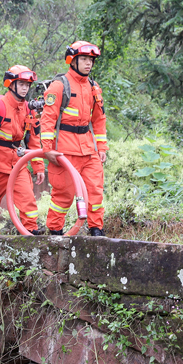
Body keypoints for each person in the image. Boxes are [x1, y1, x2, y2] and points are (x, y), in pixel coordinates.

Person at [39, 41, 108, 236]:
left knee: (95, 191)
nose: (88, 64)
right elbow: (47, 120)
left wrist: (101, 147)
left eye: (91, 60)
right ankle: (55, 233)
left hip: (88, 149)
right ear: (73, 60)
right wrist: (47, 149)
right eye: (84, 59)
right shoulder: (59, 86)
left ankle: (96, 231)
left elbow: (99, 120)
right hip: (64, 151)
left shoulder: (94, 87)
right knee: (63, 195)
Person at [0, 65, 45, 235]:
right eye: (21, 84)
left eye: (27, 85)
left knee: (28, 201)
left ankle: (31, 235)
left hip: (17, 165)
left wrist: (38, 166)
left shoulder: (29, 109)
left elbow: (34, 140)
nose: (25, 88)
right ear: (11, 84)